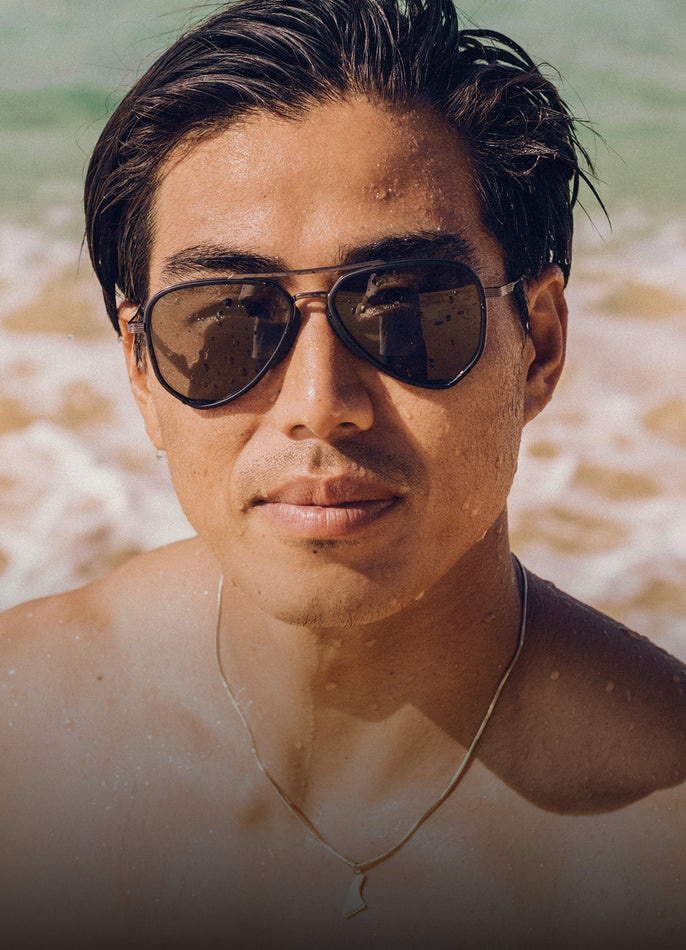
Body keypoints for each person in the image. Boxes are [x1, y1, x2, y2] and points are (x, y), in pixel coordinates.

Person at [2, 1, 685, 946]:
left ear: (541, 344)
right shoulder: (23, 742)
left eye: (406, 308)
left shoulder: (657, 844)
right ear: (141, 372)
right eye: (225, 321)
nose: (319, 403)